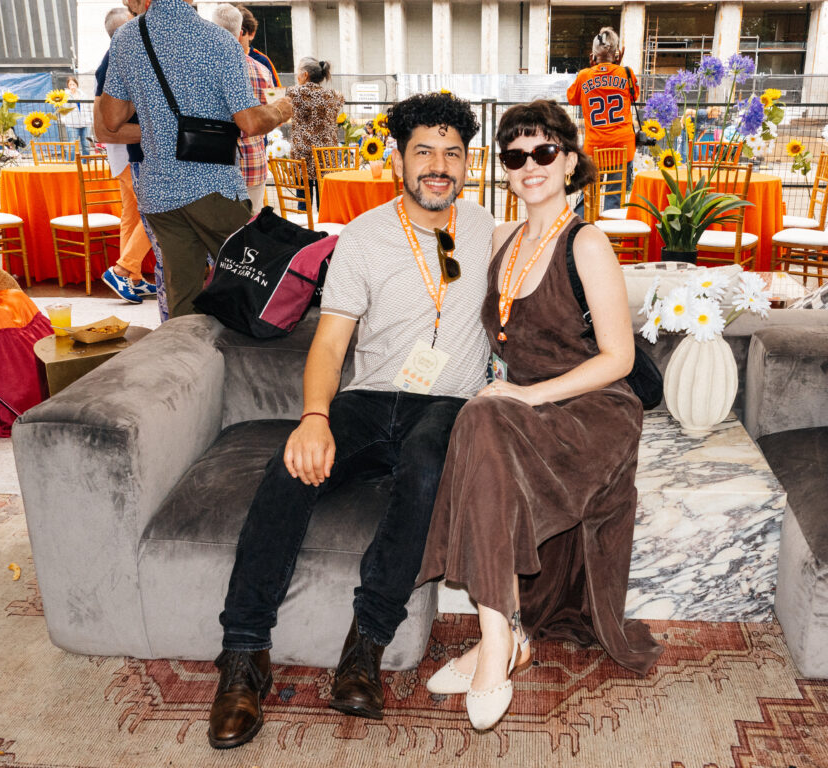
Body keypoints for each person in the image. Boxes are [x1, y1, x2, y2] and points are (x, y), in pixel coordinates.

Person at [208, 92, 494, 749]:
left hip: (446, 404)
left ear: (467, 163)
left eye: (452, 152)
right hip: (368, 399)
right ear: (399, 158)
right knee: (288, 471)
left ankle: (365, 648)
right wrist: (313, 418)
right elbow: (331, 345)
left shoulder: (483, 229)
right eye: (423, 150)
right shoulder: (363, 237)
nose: (438, 165)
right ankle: (243, 655)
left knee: (427, 467)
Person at [417, 99, 663, 731]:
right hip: (523, 412)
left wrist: (526, 397)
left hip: (592, 411)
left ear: (570, 161)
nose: (530, 165)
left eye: (544, 152)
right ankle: (504, 635)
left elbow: (618, 357)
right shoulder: (502, 239)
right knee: (478, 416)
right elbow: (433, 254)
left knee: (485, 417)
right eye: (515, 155)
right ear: (504, 168)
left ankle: (495, 645)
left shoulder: (588, 242)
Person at [100, 0, 294, 318]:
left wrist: (156, 116)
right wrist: (282, 109)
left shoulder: (127, 38)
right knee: (255, 285)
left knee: (183, 300)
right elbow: (249, 122)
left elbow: (111, 119)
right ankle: (244, 359)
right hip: (213, 189)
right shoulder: (218, 40)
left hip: (159, 193)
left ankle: (188, 361)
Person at [94, 5, 158, 306]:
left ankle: (130, 276)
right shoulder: (117, 58)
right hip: (131, 149)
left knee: (132, 215)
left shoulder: (114, 57)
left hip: (124, 152)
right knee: (155, 212)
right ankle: (124, 268)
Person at [566, 27, 638, 214]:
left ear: (593, 54)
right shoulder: (626, 74)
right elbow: (634, 95)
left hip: (594, 147)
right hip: (622, 146)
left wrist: (593, 69)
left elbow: (572, 98)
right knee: (615, 197)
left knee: (588, 196)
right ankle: (611, 239)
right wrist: (617, 66)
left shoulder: (584, 76)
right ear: (617, 53)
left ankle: (580, 233)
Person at [213, 3, 272, 215]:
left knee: (219, 232)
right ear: (240, 33)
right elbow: (271, 116)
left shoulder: (204, 68)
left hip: (216, 163)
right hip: (253, 160)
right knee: (251, 225)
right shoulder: (261, 70)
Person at [286, 57, 343, 208]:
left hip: (303, 155)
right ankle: (323, 229)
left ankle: (306, 227)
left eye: (298, 72)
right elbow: (340, 100)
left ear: (305, 75)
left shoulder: (294, 93)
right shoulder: (335, 95)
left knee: (303, 201)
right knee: (324, 201)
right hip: (326, 156)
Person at [236, 5, 281, 87]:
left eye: (240, 31)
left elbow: (277, 95)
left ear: (251, 34)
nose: (235, 36)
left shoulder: (263, 61)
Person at [62, 76, 93, 155]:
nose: (72, 86)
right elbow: (65, 108)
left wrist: (90, 120)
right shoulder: (65, 96)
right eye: (70, 84)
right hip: (72, 124)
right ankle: (70, 164)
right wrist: (70, 96)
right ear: (68, 86)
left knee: (86, 145)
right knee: (72, 146)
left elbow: (88, 108)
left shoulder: (83, 95)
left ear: (77, 84)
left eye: (74, 84)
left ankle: (85, 164)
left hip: (85, 123)